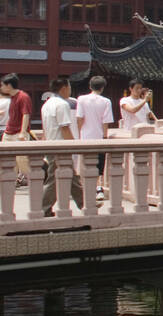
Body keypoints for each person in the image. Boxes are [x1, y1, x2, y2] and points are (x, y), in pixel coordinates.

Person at [40, 76, 83, 216]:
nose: (70, 90)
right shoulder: (62, 104)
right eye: (69, 87)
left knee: (71, 177)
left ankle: (85, 203)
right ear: (64, 88)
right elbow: (65, 128)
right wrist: (73, 146)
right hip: (60, 147)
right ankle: (43, 207)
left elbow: (45, 129)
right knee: (54, 179)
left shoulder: (46, 104)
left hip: (50, 144)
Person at [76, 75, 114, 199]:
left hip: (85, 136)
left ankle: (87, 189)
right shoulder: (106, 101)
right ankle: (98, 188)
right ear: (102, 88)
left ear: (90, 86)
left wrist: (78, 133)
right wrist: (104, 137)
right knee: (98, 165)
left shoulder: (81, 99)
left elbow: (80, 118)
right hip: (99, 137)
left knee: (85, 164)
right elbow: (105, 122)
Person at [1, 72, 35, 187]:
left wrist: (22, 132)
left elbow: (26, 114)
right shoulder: (12, 97)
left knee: (22, 161)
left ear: (9, 85)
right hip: (8, 132)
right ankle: (11, 182)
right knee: (7, 159)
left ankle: (33, 182)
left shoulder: (23, 97)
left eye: (3, 85)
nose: (1, 87)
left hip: (17, 133)